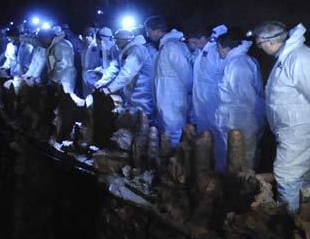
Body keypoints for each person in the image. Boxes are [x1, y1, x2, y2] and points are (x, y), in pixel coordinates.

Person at [254, 21, 310, 212]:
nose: (259, 48)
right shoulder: (289, 56)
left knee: (287, 174)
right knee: (303, 172)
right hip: (295, 127)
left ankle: (290, 220)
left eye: (260, 44)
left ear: (270, 42)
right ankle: (307, 215)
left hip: (301, 129)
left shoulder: (300, 58)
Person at [214, 32, 264, 171]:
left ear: (225, 48)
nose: (217, 51)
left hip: (242, 121)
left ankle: (245, 189)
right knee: (235, 158)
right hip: (234, 119)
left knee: (244, 159)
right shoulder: (233, 62)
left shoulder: (239, 64)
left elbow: (246, 97)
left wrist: (234, 117)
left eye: (218, 47)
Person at [146, 15, 192, 144]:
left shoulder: (173, 47)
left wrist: (187, 92)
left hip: (173, 99)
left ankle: (176, 160)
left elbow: (186, 73)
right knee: (168, 132)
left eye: (149, 31)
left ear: (158, 31)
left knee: (175, 133)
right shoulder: (164, 47)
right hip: (166, 100)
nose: (148, 35)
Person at [95, 29, 154, 113]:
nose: (116, 43)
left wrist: (110, 89)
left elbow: (127, 73)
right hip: (132, 87)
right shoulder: (125, 50)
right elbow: (114, 67)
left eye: (117, 41)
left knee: (143, 112)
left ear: (125, 40)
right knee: (132, 113)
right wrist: (103, 81)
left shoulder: (136, 50)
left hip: (141, 87)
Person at [189, 25, 228, 136]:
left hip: (213, 98)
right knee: (204, 131)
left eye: (195, 42)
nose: (194, 45)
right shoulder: (200, 51)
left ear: (202, 38)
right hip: (201, 99)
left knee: (216, 131)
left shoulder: (216, 51)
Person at [81, 27, 118, 96]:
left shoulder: (113, 49)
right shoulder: (100, 48)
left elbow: (115, 67)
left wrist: (103, 73)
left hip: (111, 80)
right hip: (98, 77)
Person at [46, 24, 78, 94]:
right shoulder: (56, 44)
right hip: (62, 77)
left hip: (64, 78)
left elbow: (62, 64)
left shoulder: (59, 45)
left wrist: (54, 78)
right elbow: (53, 62)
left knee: (67, 98)